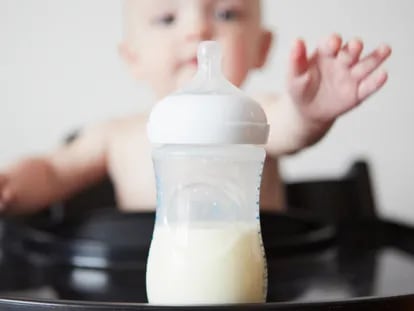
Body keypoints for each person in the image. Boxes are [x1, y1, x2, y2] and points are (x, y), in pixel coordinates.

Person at [0, 0, 391, 214]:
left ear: (262, 48)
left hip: (260, 285)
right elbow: (53, 171)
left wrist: (308, 111)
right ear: (132, 57)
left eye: (225, 14)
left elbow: (289, 127)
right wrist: (11, 185)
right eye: (167, 17)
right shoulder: (116, 136)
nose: (197, 30)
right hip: (139, 285)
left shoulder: (253, 114)